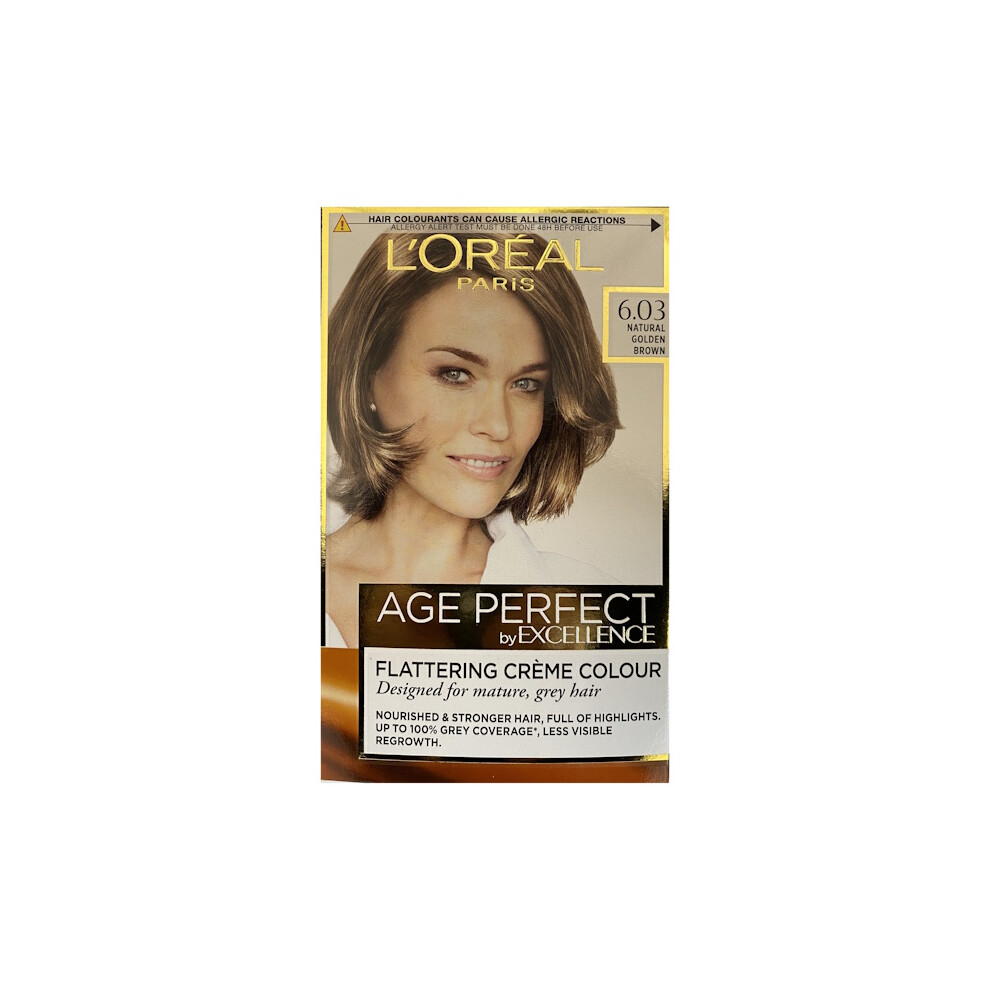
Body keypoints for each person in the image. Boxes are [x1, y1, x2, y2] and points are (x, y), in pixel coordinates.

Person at [324, 231, 620, 647]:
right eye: (455, 374)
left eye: (527, 384)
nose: (498, 427)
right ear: (367, 373)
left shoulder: (587, 609)